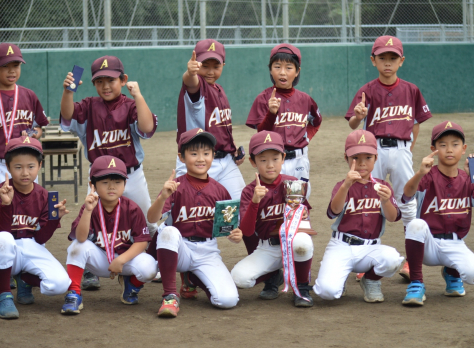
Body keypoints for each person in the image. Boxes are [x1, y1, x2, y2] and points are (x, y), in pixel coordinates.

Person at [60, 55, 157, 289]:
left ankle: (146, 264)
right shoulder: (88, 106)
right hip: (99, 181)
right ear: (93, 84)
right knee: (94, 222)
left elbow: (146, 127)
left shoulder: (131, 105)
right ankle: (90, 269)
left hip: (131, 176)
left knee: (148, 223)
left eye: (111, 79)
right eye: (100, 80)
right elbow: (67, 116)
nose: (105, 85)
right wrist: (69, 92)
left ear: (123, 80)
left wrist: (139, 96)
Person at [345, 36, 432, 281]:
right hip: (374, 150)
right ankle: (367, 261)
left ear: (401, 61)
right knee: (370, 200)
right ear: (373, 60)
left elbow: (415, 124)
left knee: (408, 202)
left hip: (402, 149)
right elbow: (353, 124)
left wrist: (409, 149)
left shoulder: (411, 90)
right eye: (382, 57)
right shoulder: (367, 90)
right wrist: (357, 116)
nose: (387, 63)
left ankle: (411, 262)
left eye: (393, 58)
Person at [147, 129, 241, 318]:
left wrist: (235, 235)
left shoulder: (220, 190)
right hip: (179, 248)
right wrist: (162, 197)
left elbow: (228, 228)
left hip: (207, 251)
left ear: (213, 156)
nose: (200, 158)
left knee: (227, 300)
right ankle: (170, 295)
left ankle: (193, 277)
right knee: (168, 231)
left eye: (206, 153)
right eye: (194, 153)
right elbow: (151, 218)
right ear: (181, 157)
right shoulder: (175, 186)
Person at [401, 121, 474, 306]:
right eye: (443, 145)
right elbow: (406, 194)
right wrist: (420, 173)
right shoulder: (428, 176)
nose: (449, 149)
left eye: (455, 144)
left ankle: (451, 273)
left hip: (454, 243)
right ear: (433, 149)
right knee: (415, 224)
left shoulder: (468, 180)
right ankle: (416, 283)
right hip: (427, 244)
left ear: (464, 149)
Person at [0, 137, 70, 319]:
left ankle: (24, 279)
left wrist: (55, 220)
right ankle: (4, 295)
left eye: (30, 166)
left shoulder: (43, 195)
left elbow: (40, 239)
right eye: (18, 167)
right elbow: (0, 233)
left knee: (60, 284)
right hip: (6, 250)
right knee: (4, 240)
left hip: (32, 246)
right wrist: (6, 205)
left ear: (39, 165)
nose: (25, 173)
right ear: (8, 167)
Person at [313, 130, 403, 303]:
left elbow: (393, 218)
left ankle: (370, 280)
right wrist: (346, 186)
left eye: (367, 157)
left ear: (376, 158)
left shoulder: (383, 186)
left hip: (371, 248)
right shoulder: (342, 185)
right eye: (356, 158)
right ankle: (340, 274)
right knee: (327, 292)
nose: (362, 163)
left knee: (392, 259)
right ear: (346, 158)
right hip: (342, 245)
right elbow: (333, 212)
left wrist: (385, 201)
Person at [61, 155, 157, 315]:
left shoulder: (132, 208)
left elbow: (142, 242)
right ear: (93, 185)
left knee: (150, 267)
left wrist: (121, 260)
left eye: (117, 182)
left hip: (124, 260)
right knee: (76, 247)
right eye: (105, 182)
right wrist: (88, 211)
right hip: (100, 260)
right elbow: (81, 238)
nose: (111, 187)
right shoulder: (90, 207)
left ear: (125, 184)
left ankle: (131, 285)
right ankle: (74, 293)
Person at [231, 130, 315, 307]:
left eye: (275, 158)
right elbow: (246, 231)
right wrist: (255, 201)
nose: (270, 165)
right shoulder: (249, 191)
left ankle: (301, 288)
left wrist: (303, 213)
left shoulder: (292, 183)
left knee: (303, 242)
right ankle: (273, 275)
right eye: (263, 160)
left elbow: (305, 215)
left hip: (292, 244)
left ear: (283, 158)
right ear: (253, 162)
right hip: (267, 248)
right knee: (239, 278)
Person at [0, 43, 48, 198]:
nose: (12, 70)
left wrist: (32, 134)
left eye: (16, 65)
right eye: (6, 66)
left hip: (26, 161)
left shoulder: (29, 95)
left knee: (29, 211)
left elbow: (39, 127)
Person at [245, 44, 322, 196]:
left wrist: (306, 136)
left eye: (289, 67)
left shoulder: (305, 99)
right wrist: (271, 113)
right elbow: (261, 132)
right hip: (273, 159)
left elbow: (316, 121)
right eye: (277, 66)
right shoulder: (263, 99)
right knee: (272, 201)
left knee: (298, 202)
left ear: (297, 71)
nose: (282, 72)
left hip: (299, 159)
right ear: (270, 69)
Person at [176, 39, 245, 199]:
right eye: (204, 65)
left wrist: (232, 149)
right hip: (198, 160)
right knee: (189, 213)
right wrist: (190, 73)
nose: (210, 71)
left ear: (223, 66)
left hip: (226, 162)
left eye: (216, 66)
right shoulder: (198, 86)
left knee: (240, 207)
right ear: (196, 63)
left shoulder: (219, 89)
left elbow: (221, 129)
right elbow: (190, 83)